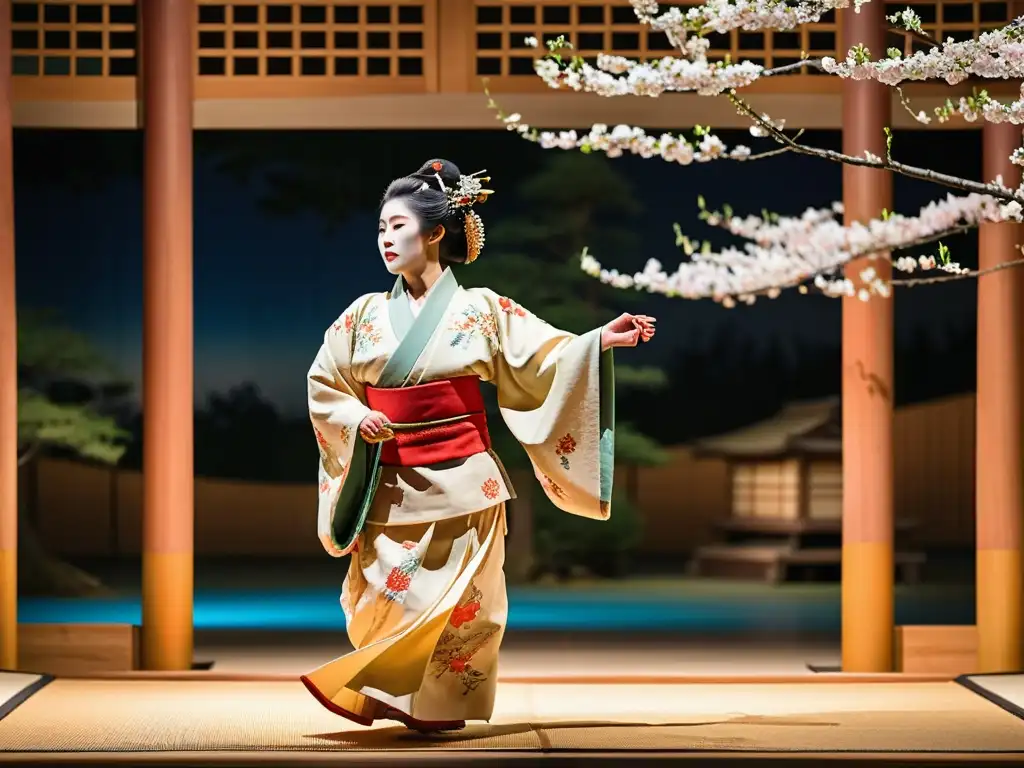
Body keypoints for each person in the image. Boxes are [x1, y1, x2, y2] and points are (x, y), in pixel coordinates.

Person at [301, 158, 656, 733]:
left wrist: (597, 342)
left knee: (462, 608)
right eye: (380, 228)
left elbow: (546, 357)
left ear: (435, 232)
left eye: (396, 226)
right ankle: (395, 691)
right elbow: (323, 383)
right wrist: (357, 414)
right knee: (383, 599)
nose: (384, 239)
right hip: (389, 483)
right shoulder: (361, 315)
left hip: (467, 483)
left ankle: (440, 707)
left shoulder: (482, 308)